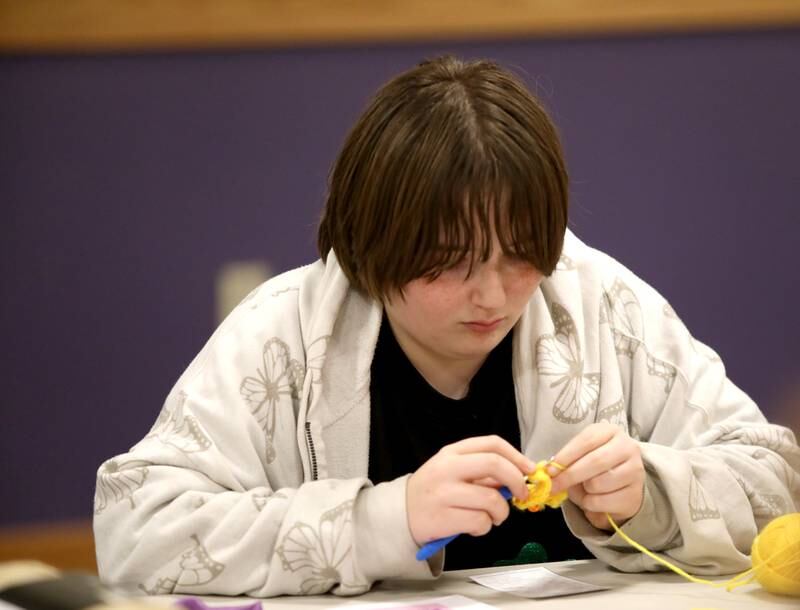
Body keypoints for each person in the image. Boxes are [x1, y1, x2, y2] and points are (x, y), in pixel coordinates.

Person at [93, 56, 799, 598]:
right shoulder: (284, 338)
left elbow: (775, 477)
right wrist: (384, 521)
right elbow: (134, 529)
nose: (492, 295)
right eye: (446, 265)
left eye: (522, 255)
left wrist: (650, 491)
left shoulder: (600, 306)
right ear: (371, 247)